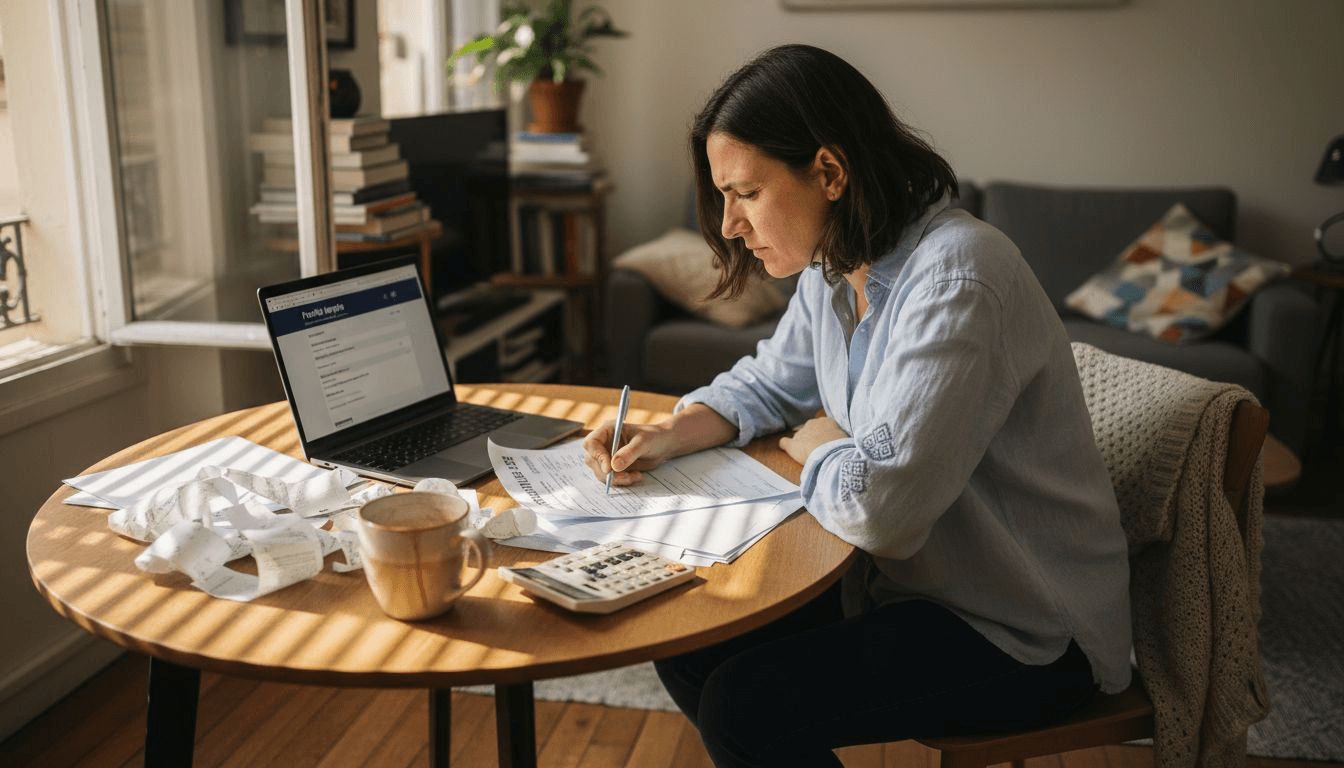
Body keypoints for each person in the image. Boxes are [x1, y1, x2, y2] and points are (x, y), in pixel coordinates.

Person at [582, 44, 1132, 767]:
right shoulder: (837, 263)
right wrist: (675, 431)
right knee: (686, 639)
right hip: (907, 589)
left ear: (830, 172)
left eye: (744, 193)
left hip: (1022, 627)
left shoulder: (959, 278)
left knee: (746, 706)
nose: (728, 224)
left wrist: (819, 446)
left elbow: (884, 510)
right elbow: (774, 381)